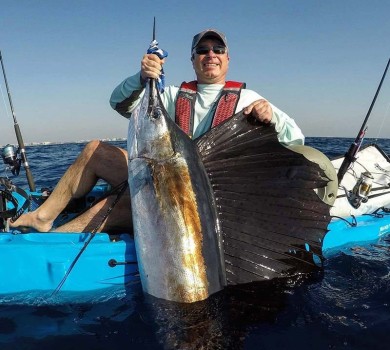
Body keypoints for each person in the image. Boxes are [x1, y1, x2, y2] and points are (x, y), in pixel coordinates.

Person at [11, 29, 304, 233]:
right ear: (193, 60)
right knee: (95, 150)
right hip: (163, 177)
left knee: (124, 204)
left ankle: (56, 243)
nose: (210, 54)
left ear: (228, 59)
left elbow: (296, 140)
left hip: (212, 198)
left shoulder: (250, 98)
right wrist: (141, 78)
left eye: (218, 50)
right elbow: (120, 103)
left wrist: (271, 120)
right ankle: (42, 217)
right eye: (202, 50)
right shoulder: (172, 95)